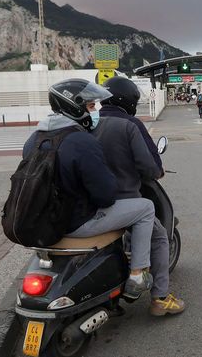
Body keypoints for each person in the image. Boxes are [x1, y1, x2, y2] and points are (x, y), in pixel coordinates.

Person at [23, 78, 156, 299]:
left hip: (45, 220)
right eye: (91, 106)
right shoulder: (82, 141)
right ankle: (137, 275)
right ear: (74, 107)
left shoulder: (33, 140)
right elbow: (105, 196)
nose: (94, 111)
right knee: (146, 208)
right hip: (77, 222)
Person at [98, 77, 186, 316]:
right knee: (159, 237)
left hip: (93, 205)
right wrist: (158, 171)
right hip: (125, 202)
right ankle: (160, 298)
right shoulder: (130, 125)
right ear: (128, 101)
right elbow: (150, 167)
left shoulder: (90, 123)